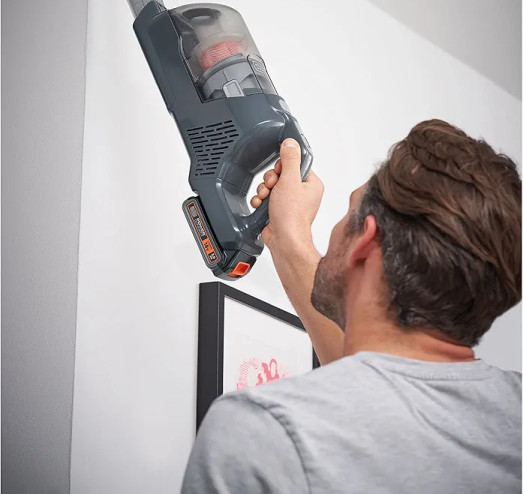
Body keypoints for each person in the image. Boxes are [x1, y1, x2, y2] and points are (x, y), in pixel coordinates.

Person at [181, 119, 522, 493]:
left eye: (349, 212)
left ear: (365, 241)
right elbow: (376, 385)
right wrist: (286, 237)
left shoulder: (265, 432)